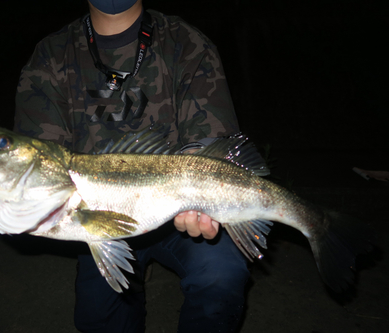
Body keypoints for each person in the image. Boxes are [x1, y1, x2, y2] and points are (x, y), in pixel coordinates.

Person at [14, 0, 249, 332]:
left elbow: (211, 141)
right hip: (95, 218)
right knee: (100, 318)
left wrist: (203, 198)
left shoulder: (187, 42)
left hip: (177, 215)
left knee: (222, 275)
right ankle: (132, 273)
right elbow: (40, 162)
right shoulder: (50, 56)